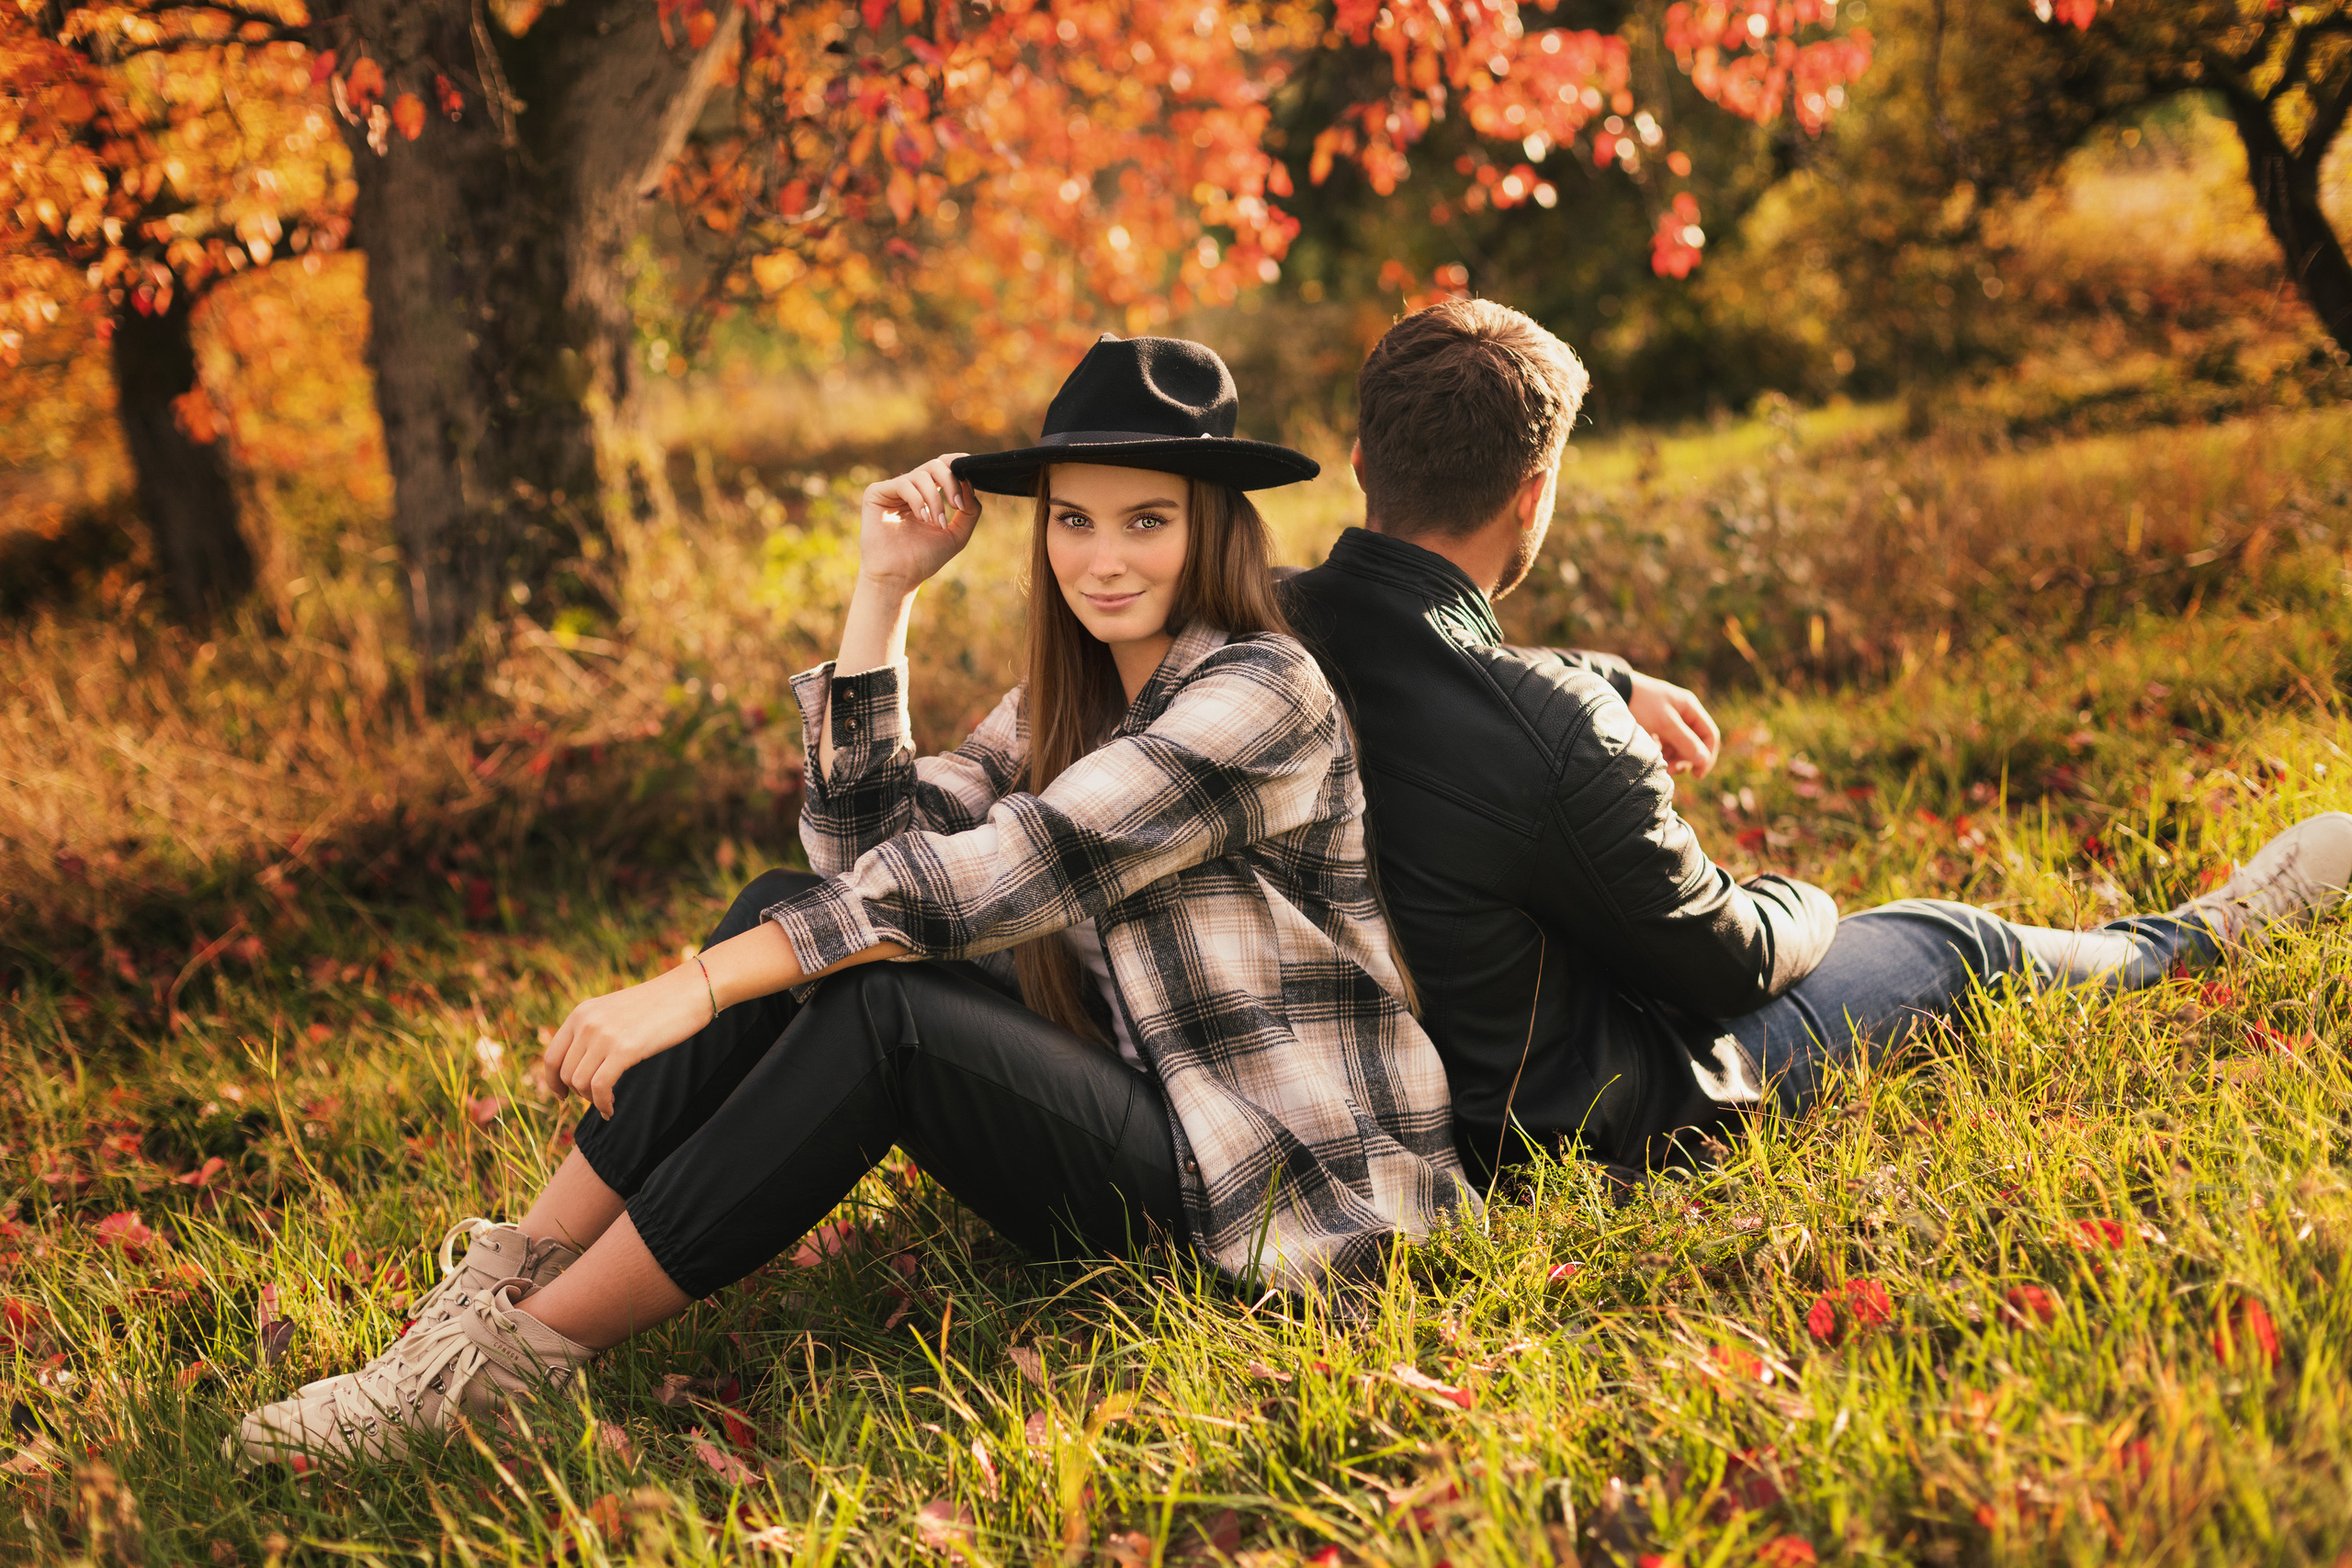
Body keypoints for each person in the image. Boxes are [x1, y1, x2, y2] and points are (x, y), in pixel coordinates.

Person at [231, 335, 1472, 1470]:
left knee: (883, 1015)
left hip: (1275, 1188)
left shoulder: (1263, 692)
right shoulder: (1068, 699)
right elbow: (857, 863)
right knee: (790, 908)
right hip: (1153, 1105)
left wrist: (697, 985)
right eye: (1074, 520)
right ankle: (508, 1277)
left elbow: (1008, 867)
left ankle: (508, 1365)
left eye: (1147, 521)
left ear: (1212, 529)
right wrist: (886, 593)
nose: (1103, 559)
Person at [1282, 298, 2352, 1185]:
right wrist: (1805, 901)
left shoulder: (1254, 636)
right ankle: (2202, 936)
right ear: (1533, 497)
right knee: (1948, 943)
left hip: (1364, 1105)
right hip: (1575, 1129)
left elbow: (1418, 653)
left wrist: (1606, 678)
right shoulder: (1554, 736)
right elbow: (1729, 964)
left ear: (1364, 460)